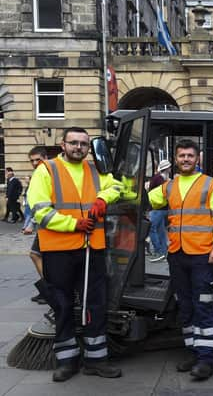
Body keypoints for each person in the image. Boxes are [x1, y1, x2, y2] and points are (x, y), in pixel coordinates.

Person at [28, 127, 123, 382]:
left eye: (83, 144)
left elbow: (116, 186)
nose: (79, 147)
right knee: (63, 305)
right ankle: (66, 360)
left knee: (95, 304)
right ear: (63, 144)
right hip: (58, 250)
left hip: (92, 247)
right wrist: (74, 224)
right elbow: (39, 210)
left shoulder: (95, 170)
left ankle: (96, 359)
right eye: (74, 143)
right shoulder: (46, 170)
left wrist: (103, 199)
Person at [148, 139, 213, 380]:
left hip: (203, 254)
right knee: (185, 306)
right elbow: (148, 197)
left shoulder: (210, 184)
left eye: (190, 156)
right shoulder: (169, 186)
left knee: (202, 305)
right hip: (177, 254)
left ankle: (206, 359)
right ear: (175, 158)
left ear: (197, 158)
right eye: (181, 155)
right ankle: (193, 351)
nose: (185, 159)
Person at [23, 146, 48, 305]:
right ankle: (48, 290)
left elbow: (42, 202)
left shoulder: (46, 173)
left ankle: (49, 290)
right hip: (45, 222)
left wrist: (31, 224)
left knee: (35, 254)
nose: (34, 163)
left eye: (37, 159)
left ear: (44, 158)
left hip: (47, 222)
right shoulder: (40, 173)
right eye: (31, 160)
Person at [148, 159, 171, 262]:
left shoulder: (158, 178)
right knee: (160, 230)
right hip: (162, 208)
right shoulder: (162, 179)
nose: (170, 169)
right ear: (166, 169)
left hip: (157, 208)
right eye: (169, 167)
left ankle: (159, 252)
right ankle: (163, 252)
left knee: (152, 228)